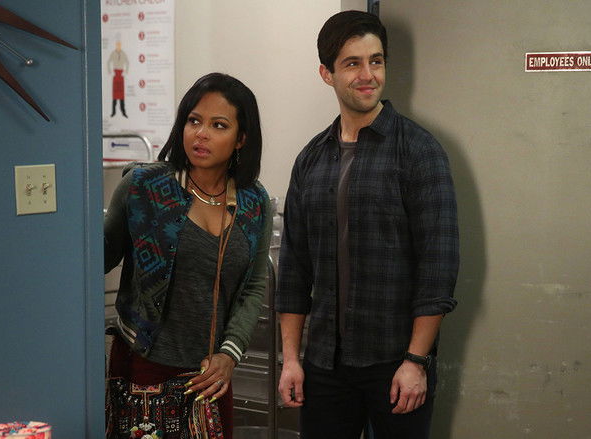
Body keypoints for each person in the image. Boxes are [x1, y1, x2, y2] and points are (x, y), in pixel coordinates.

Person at [275, 11, 459, 439]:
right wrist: (292, 359)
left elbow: (438, 266)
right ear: (326, 73)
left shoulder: (419, 151)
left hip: (396, 362)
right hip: (324, 363)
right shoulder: (311, 159)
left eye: (376, 61)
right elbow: (294, 269)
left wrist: (416, 361)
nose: (367, 75)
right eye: (352, 63)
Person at [104, 72, 272, 438]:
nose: (201, 133)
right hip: (144, 366)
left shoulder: (255, 202)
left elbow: (252, 288)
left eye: (218, 125)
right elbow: (94, 262)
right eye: (194, 121)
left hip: (210, 376)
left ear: (241, 138)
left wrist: (229, 354)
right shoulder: (143, 187)